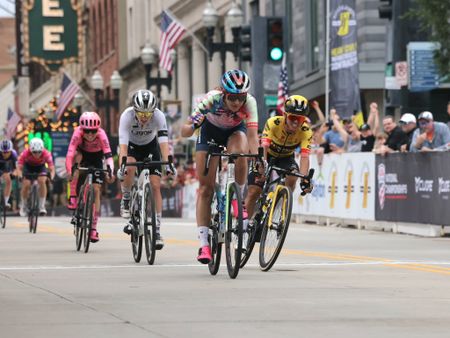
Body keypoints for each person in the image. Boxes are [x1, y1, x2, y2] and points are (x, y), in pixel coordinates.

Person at [180, 69, 259, 264]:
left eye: (240, 98)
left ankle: (239, 196)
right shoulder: (211, 99)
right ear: (224, 93)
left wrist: (257, 158)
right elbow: (185, 130)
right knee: (205, 188)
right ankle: (204, 244)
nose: (236, 103)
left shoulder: (250, 103)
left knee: (241, 151)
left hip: (234, 132)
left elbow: (252, 136)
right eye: (232, 97)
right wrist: (192, 125)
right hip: (210, 133)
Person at [117, 89, 175, 250]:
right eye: (141, 114)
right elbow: (122, 145)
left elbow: (164, 143)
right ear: (135, 111)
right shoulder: (126, 116)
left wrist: (168, 164)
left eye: (148, 114)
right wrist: (122, 165)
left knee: (156, 186)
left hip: (151, 146)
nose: (144, 118)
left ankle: (156, 231)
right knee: (129, 166)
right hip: (131, 146)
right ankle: (127, 198)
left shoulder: (159, 116)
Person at [245, 95, 313, 219]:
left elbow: (304, 157)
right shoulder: (274, 123)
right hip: (267, 155)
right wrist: (262, 168)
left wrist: (304, 180)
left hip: (286, 158)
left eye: (300, 118)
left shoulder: (306, 131)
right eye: (293, 117)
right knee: (254, 191)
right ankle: (243, 224)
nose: (296, 122)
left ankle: (279, 202)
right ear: (285, 115)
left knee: (293, 176)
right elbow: (264, 147)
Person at [65, 112, 115, 243]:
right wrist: (70, 170)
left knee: (97, 189)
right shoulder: (77, 133)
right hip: (82, 155)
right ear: (82, 129)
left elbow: (108, 157)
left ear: (97, 129)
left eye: (93, 131)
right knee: (76, 160)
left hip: (97, 158)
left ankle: (93, 227)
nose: (90, 135)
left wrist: (110, 171)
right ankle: (73, 198)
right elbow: (70, 154)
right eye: (87, 131)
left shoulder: (102, 135)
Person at [16, 138, 55, 216]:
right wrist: (20, 176)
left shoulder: (46, 153)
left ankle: (42, 206)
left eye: (39, 152)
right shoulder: (25, 153)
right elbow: (19, 168)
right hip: (28, 167)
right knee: (26, 184)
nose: (37, 154)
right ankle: (23, 205)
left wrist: (51, 177)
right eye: (34, 152)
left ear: (42, 150)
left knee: (42, 181)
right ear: (30, 150)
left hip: (40, 167)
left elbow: (52, 168)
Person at [0, 140, 17, 208]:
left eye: (7, 152)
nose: (5, 154)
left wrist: (14, 174)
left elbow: (17, 168)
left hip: (5, 167)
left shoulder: (14, 154)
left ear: (11, 151)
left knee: (8, 181)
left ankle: (5, 201)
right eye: (3, 152)